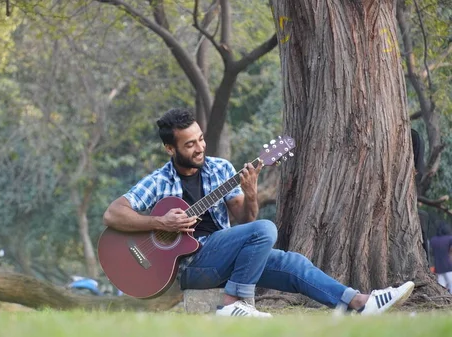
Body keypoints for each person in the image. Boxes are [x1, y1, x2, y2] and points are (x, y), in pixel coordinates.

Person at [103, 107, 415, 317]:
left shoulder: (221, 169)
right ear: (170, 149)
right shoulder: (159, 181)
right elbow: (113, 214)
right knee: (266, 229)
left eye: (201, 139)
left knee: (289, 261)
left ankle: (360, 302)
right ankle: (234, 304)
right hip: (190, 266)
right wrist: (160, 221)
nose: (199, 148)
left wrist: (251, 193)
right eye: (189, 145)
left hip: (225, 254)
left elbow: (246, 223)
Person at [429, 221, 452, 294]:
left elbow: (431, 252)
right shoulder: (450, 239)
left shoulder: (433, 240)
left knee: (441, 285)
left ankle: (443, 298)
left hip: (438, 266)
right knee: (451, 284)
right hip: (449, 266)